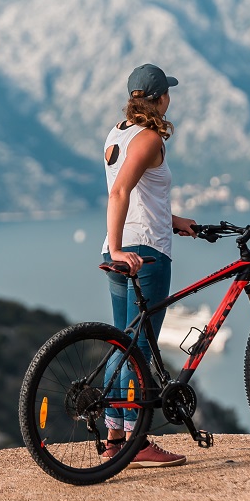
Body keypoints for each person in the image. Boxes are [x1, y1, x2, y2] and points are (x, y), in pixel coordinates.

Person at [101, 63, 197, 468]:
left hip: (123, 246)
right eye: (167, 93)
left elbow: (138, 195)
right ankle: (136, 441)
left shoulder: (118, 134)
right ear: (160, 98)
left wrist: (173, 220)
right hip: (144, 253)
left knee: (123, 344)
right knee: (139, 348)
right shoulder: (150, 138)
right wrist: (121, 249)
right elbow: (120, 192)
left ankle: (114, 439)